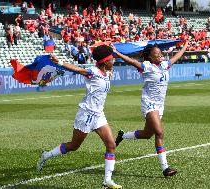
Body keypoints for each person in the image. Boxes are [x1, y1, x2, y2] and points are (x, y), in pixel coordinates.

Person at [37, 45, 122, 189]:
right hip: (86, 114)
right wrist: (59, 62)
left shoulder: (107, 71)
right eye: (111, 59)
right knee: (74, 146)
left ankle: (107, 180)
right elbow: (76, 69)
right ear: (104, 61)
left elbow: (109, 70)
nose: (113, 61)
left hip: (99, 114)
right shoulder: (93, 72)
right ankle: (46, 155)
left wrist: (113, 52)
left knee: (111, 145)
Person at [114, 41, 189, 177]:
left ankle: (122, 135)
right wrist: (117, 53)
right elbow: (131, 61)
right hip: (149, 104)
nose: (160, 55)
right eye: (157, 54)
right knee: (159, 132)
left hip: (159, 106)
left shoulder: (165, 65)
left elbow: (176, 57)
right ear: (150, 57)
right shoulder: (147, 66)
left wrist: (185, 45)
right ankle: (165, 168)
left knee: (147, 134)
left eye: (160, 53)